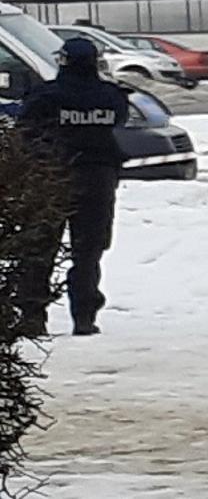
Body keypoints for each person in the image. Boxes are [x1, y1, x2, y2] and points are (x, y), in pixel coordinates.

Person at [17, 37, 129, 337]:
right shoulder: (111, 97)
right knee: (88, 251)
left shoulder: (46, 97)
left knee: (40, 249)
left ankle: (32, 316)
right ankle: (84, 317)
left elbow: (24, 131)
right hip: (98, 180)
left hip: (50, 179)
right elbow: (121, 119)